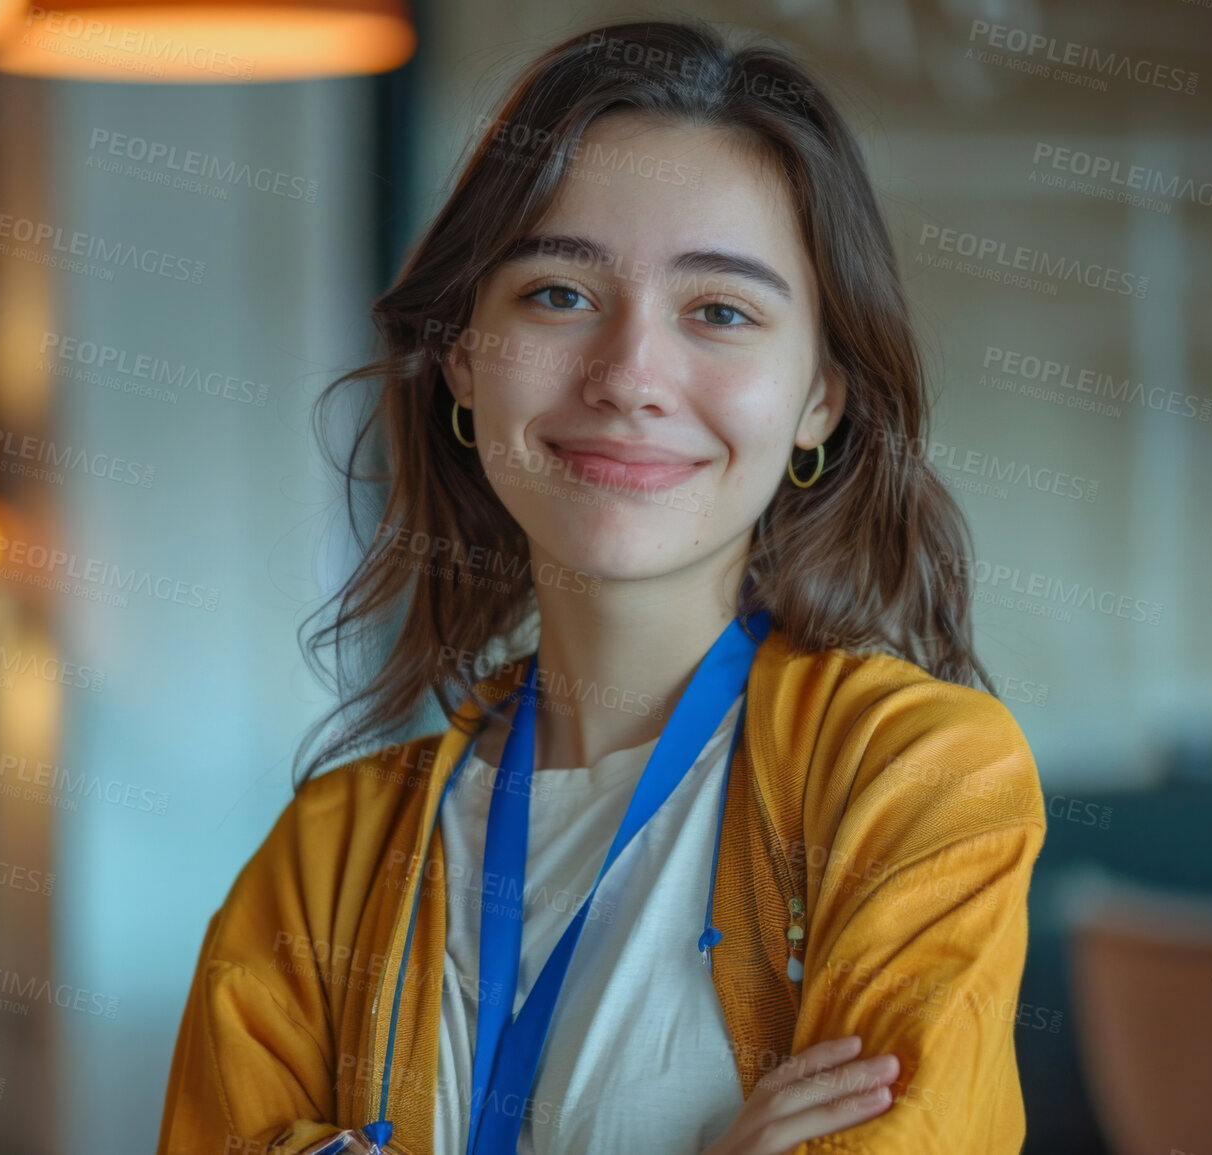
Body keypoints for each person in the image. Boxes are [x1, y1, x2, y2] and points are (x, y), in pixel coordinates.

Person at [158, 18, 1046, 1155]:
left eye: (719, 312)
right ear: (465, 362)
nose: (629, 375)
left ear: (820, 397)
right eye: (558, 295)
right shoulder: (325, 856)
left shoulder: (917, 778)